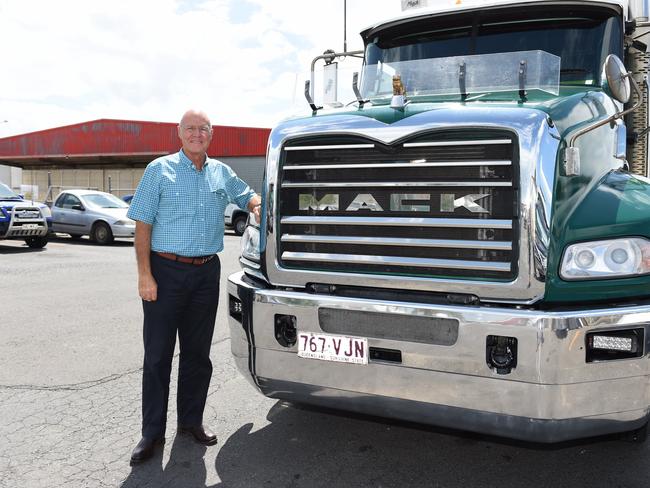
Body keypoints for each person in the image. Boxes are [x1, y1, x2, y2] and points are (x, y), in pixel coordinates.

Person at [126, 109, 261, 464]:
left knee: (198, 354)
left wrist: (256, 203)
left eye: (203, 129)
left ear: (211, 134)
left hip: (205, 273)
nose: (197, 134)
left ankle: (190, 422)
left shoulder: (221, 171)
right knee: (157, 356)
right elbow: (142, 227)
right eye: (191, 129)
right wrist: (145, 275)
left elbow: (246, 194)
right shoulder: (159, 170)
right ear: (179, 133)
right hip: (164, 271)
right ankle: (151, 433)